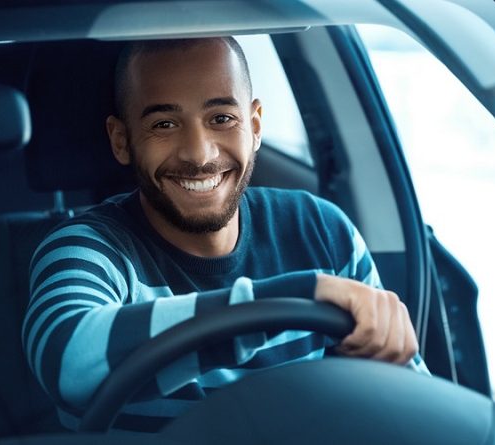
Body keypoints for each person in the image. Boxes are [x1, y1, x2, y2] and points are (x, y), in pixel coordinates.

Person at [23, 36, 429, 432]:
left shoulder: (322, 229)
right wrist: (302, 297)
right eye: (164, 124)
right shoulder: (84, 248)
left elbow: (408, 405)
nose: (199, 154)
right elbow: (67, 361)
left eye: (221, 119)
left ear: (254, 126)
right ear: (122, 140)